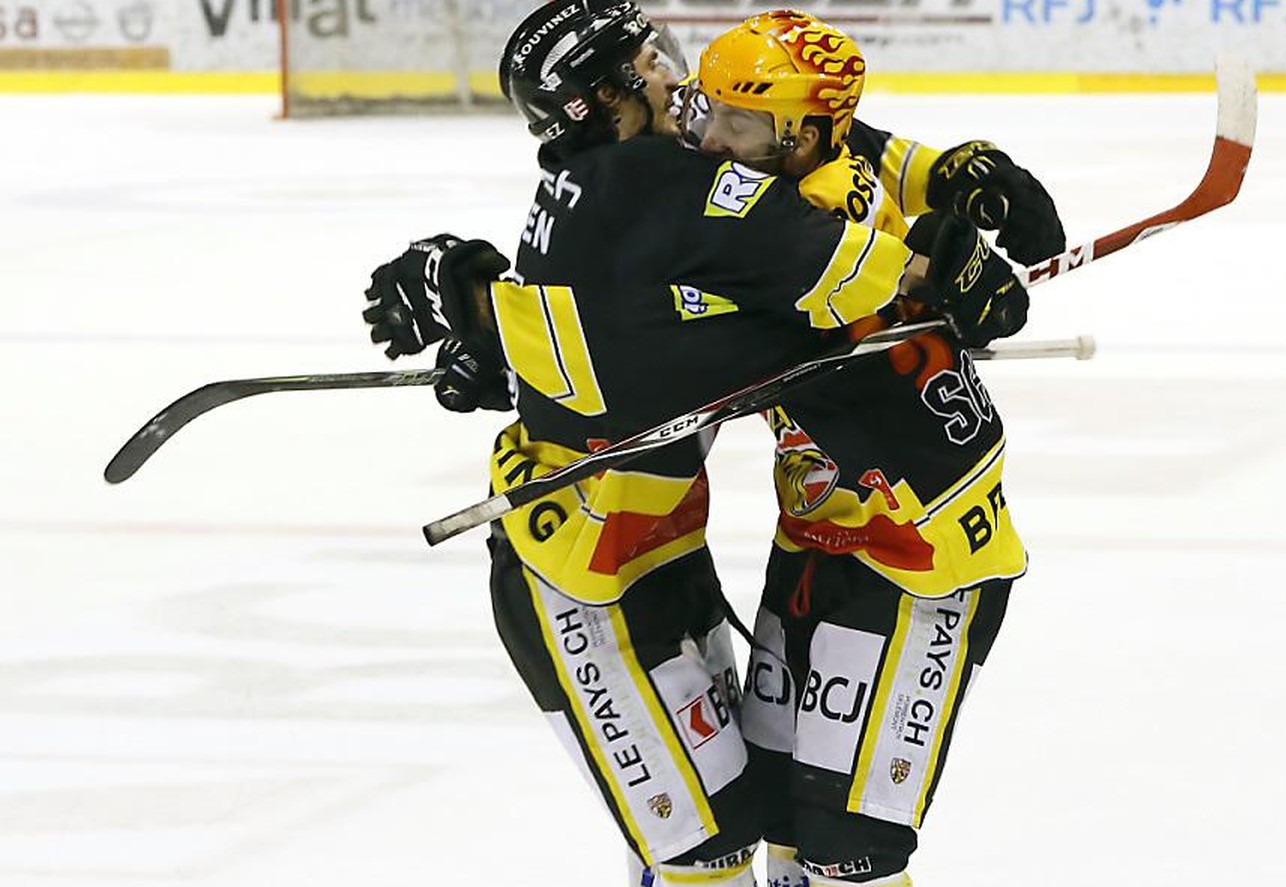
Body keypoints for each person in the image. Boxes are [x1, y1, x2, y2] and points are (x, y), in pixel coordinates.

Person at [358, 3, 1030, 885]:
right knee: (711, 855)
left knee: (775, 836)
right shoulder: (677, 194)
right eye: (652, 61)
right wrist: (940, 269)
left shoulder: (637, 176)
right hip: (585, 578)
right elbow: (805, 255)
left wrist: (483, 311)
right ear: (607, 94)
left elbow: (818, 157)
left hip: (673, 552)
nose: (683, 85)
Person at [669, 11, 1064, 887]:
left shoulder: (794, 224)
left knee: (851, 850)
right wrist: (951, 189)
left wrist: (949, 265)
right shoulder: (806, 163)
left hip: (923, 557)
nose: (711, 138)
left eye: (740, 124)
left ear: (807, 137)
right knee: (775, 814)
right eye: (713, 111)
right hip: (814, 539)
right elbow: (881, 158)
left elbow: (721, 302)